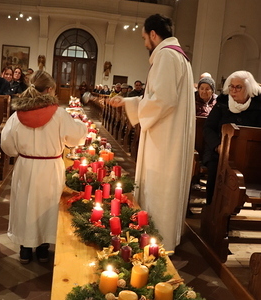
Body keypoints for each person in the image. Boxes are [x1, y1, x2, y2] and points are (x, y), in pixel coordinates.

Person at [109, 14, 195, 251]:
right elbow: (159, 98)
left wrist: (132, 105)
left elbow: (163, 101)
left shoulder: (167, 56)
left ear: (154, 35)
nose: (144, 42)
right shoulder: (178, 57)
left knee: (160, 188)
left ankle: (158, 241)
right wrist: (129, 102)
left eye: (144, 37)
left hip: (164, 140)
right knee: (162, 188)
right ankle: (157, 238)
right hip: (167, 134)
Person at [0, 70, 87, 264]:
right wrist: (82, 127)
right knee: (46, 206)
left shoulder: (18, 115)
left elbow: (6, 143)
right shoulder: (58, 114)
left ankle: (24, 249)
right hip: (49, 167)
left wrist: (19, 153)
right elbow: (75, 138)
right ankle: (42, 249)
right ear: (49, 90)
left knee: (25, 204)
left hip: (25, 166)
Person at [203, 70, 261, 205]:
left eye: (238, 87)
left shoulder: (258, 105)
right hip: (219, 151)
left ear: (249, 88)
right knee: (214, 168)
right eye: (231, 86)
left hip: (250, 154)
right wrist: (217, 146)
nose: (233, 90)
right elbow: (208, 128)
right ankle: (211, 206)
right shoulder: (222, 103)